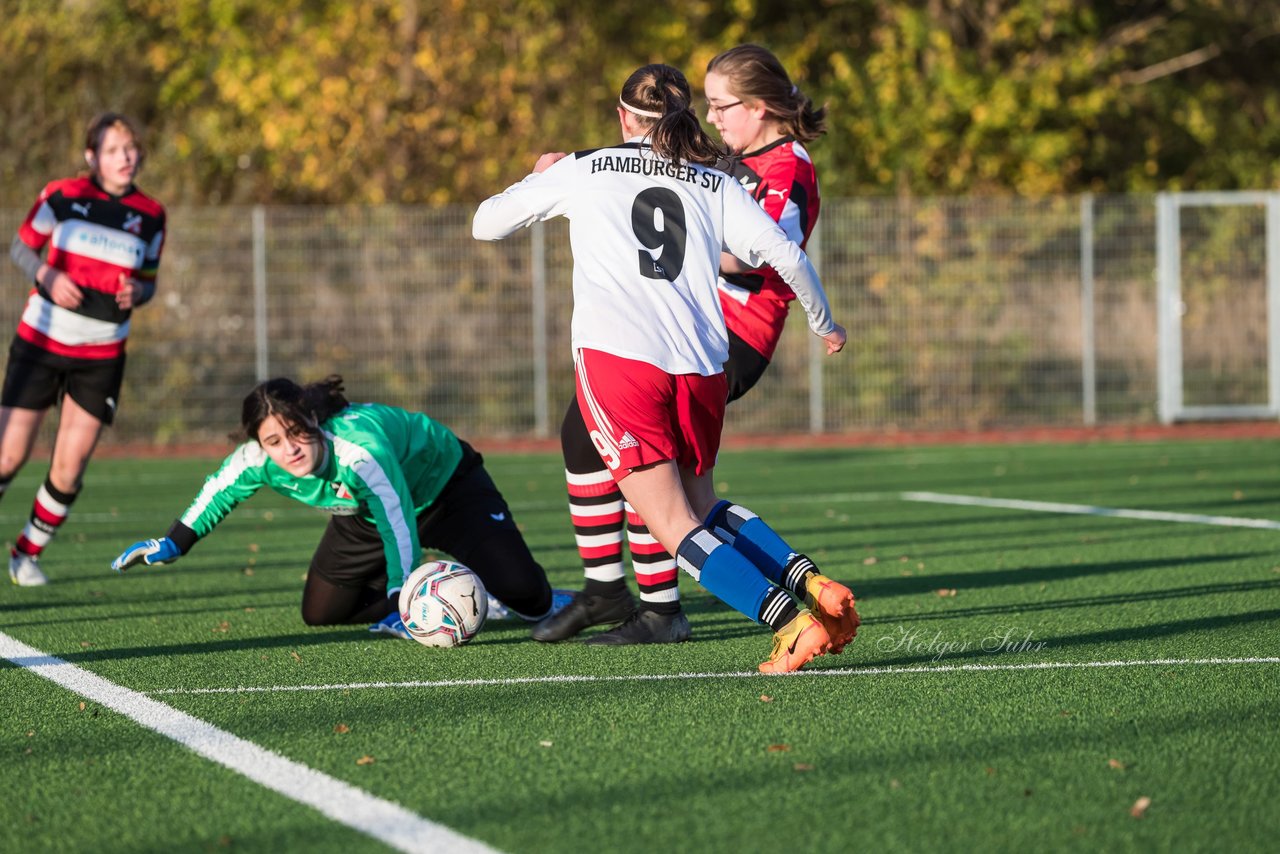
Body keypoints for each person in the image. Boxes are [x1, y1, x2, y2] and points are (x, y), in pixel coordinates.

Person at [473, 63, 859, 673]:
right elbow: (785, 254)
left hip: (622, 363)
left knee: (674, 524)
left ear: (624, 117)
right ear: (682, 119)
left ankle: (788, 620)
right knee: (702, 504)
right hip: (703, 362)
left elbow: (485, 222)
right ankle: (813, 586)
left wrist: (541, 174)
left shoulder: (584, 167)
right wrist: (825, 323)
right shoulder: (713, 180)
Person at [110, 375, 568, 635]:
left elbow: (398, 521)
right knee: (321, 613)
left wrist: (400, 595)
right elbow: (218, 490)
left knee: (532, 600)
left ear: (312, 418)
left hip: (447, 489)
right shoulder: (257, 459)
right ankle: (474, 597)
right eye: (273, 440)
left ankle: (488, 591)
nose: (288, 448)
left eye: (296, 431)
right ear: (259, 444)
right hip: (364, 515)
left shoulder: (358, 450)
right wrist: (172, 543)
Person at [5, 112, 166, 586]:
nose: (126, 157)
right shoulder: (62, 195)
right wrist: (46, 274)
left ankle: (26, 553)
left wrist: (139, 294)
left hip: (102, 356)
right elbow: (20, 247)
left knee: (69, 468)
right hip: (41, 343)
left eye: (131, 148)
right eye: (114, 150)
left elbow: (150, 283)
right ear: (91, 156)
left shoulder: (152, 214)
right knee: (7, 458)